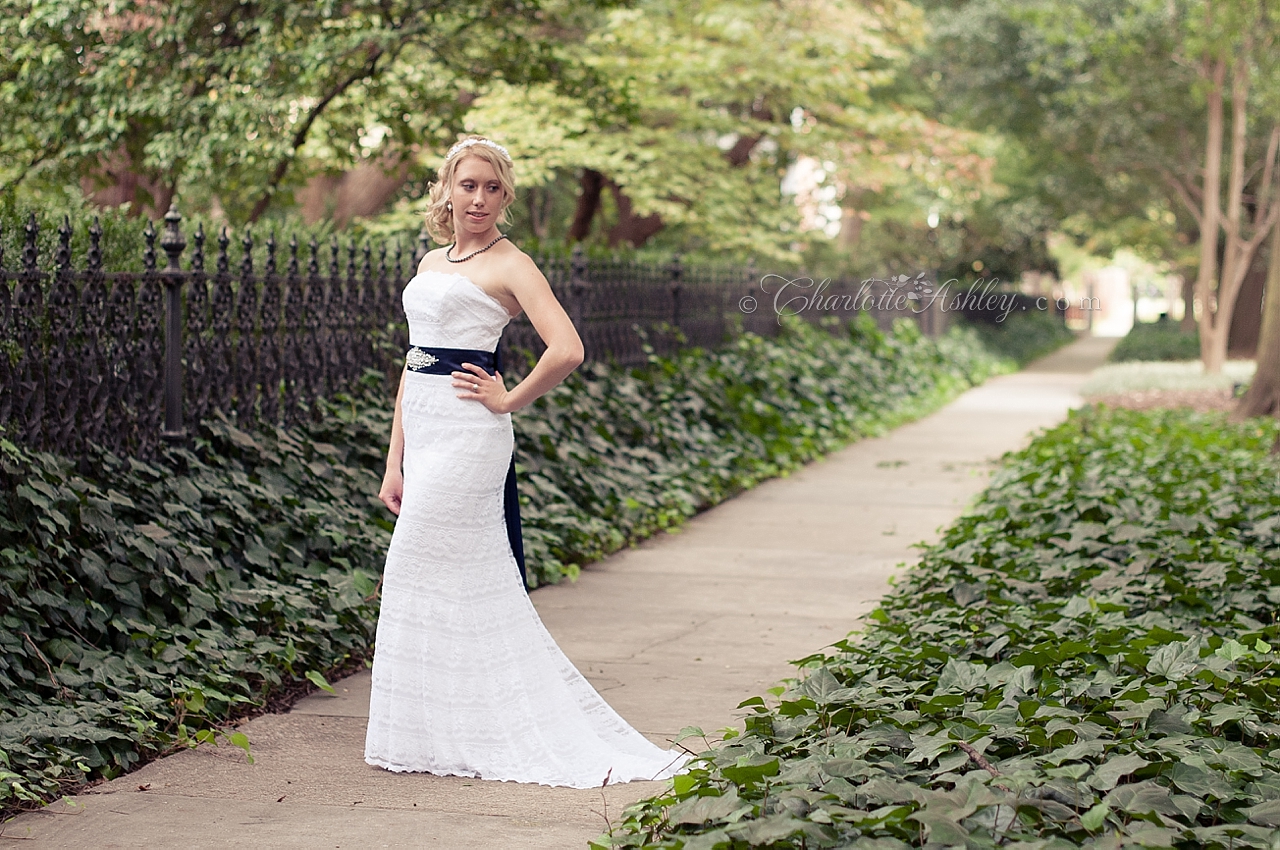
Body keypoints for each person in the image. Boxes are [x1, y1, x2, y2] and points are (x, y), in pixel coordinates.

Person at [363, 135, 691, 788]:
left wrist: (508, 398)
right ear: (447, 190)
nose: (479, 198)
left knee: (416, 566)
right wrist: (393, 461)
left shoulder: (511, 263)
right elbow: (413, 364)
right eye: (468, 185)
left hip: (471, 435)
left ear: (504, 196)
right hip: (424, 435)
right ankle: (439, 733)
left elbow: (567, 348)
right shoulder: (430, 262)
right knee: (438, 579)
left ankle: (493, 727)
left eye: (492, 188)